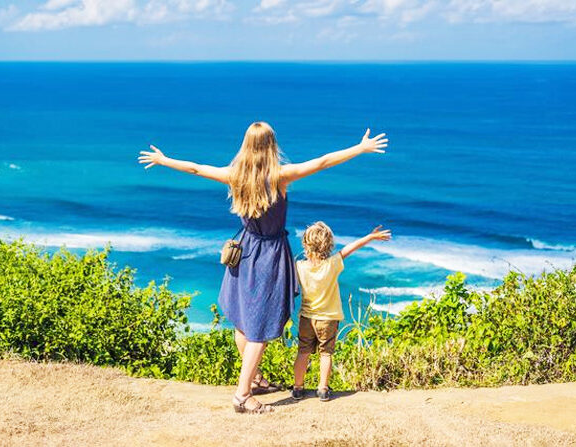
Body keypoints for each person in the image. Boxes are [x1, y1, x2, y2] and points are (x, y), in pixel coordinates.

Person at [138, 122, 388, 414]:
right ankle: (242, 395)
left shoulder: (235, 176)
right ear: (272, 146)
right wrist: (360, 148)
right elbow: (322, 162)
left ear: (245, 145)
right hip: (269, 256)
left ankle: (254, 379)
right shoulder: (279, 177)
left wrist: (164, 160)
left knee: (244, 321)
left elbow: (195, 168)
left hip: (244, 252)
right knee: (258, 327)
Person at [292, 222, 391, 402]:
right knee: (326, 353)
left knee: (303, 352)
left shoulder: (299, 266)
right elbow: (349, 249)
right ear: (328, 245)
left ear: (305, 244)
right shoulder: (332, 264)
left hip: (307, 317)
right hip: (328, 319)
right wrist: (370, 237)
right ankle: (322, 389)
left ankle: (298, 388)